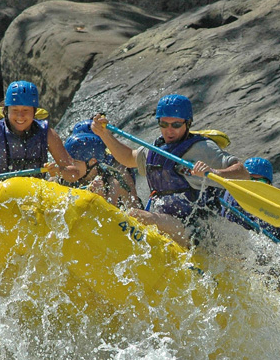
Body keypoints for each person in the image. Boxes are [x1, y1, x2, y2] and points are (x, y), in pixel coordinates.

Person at [91, 94, 249, 247]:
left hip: (196, 230)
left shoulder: (203, 148)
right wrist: (104, 134)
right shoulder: (156, 149)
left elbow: (242, 173)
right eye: (164, 124)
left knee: (135, 215)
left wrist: (214, 173)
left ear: (188, 123)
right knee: (130, 216)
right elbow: (127, 157)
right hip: (168, 223)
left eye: (176, 125)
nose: (169, 130)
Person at [220, 157, 280, 250]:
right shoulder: (230, 196)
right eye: (250, 180)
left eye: (261, 182)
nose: (254, 186)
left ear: (269, 186)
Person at [53, 129, 142, 209]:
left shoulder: (112, 181)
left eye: (75, 162)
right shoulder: (63, 177)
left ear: (92, 161)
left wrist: (101, 197)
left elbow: (112, 218)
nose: (69, 166)